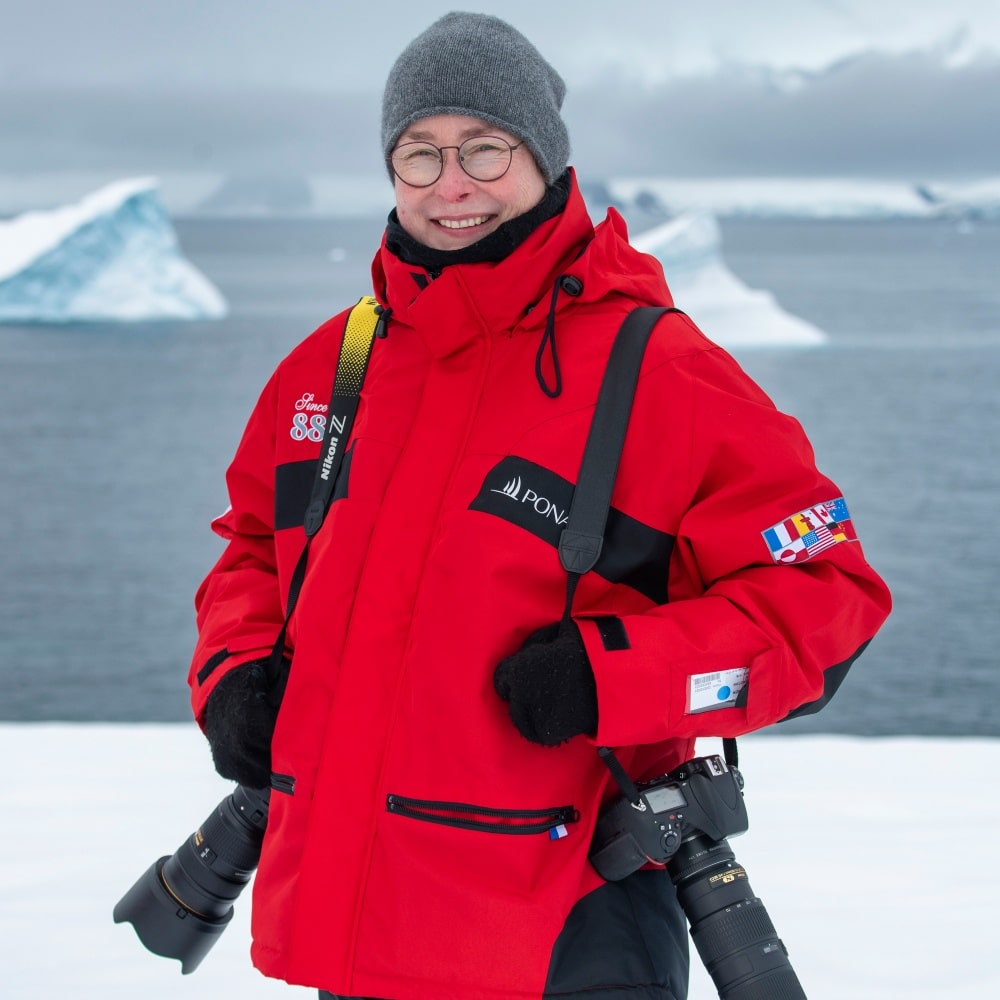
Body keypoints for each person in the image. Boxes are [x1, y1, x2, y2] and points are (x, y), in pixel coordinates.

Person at [187, 11, 892, 1000]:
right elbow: (253, 550)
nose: (453, 184)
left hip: (566, 932)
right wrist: (232, 666)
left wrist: (615, 677)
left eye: (485, 147)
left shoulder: (662, 371)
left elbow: (828, 595)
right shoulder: (330, 368)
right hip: (356, 925)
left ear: (546, 160)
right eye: (419, 155)